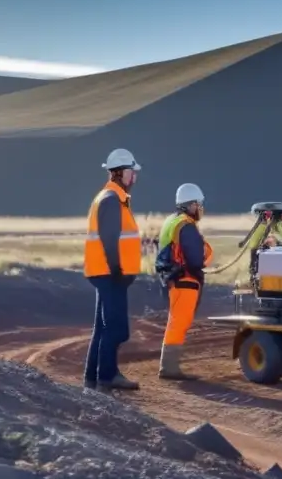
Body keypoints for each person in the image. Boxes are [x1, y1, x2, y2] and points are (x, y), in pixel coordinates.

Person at [83, 148, 143, 392]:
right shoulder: (111, 199)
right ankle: (107, 377)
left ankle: (92, 377)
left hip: (105, 273)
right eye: (132, 172)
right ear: (120, 173)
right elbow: (109, 238)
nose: (135, 177)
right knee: (116, 328)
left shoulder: (113, 198)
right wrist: (118, 268)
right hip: (110, 275)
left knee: (102, 328)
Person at [156, 182, 213, 380]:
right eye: (198, 204)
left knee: (176, 322)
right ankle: (169, 368)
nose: (200, 208)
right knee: (179, 323)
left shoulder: (171, 221)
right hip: (184, 281)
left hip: (172, 279)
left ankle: (169, 366)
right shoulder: (186, 226)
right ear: (190, 205)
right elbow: (195, 259)